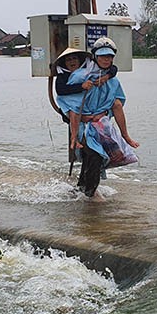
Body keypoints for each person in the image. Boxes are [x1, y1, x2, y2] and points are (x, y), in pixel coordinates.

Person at [58, 37, 139, 199]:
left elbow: (116, 102)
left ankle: (83, 188)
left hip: (101, 125)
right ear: (95, 56)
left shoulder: (112, 80)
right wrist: (85, 117)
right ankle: (91, 195)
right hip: (84, 124)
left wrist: (104, 114)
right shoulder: (80, 76)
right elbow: (67, 102)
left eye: (109, 56)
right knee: (95, 155)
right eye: (102, 56)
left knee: (94, 157)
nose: (106, 59)